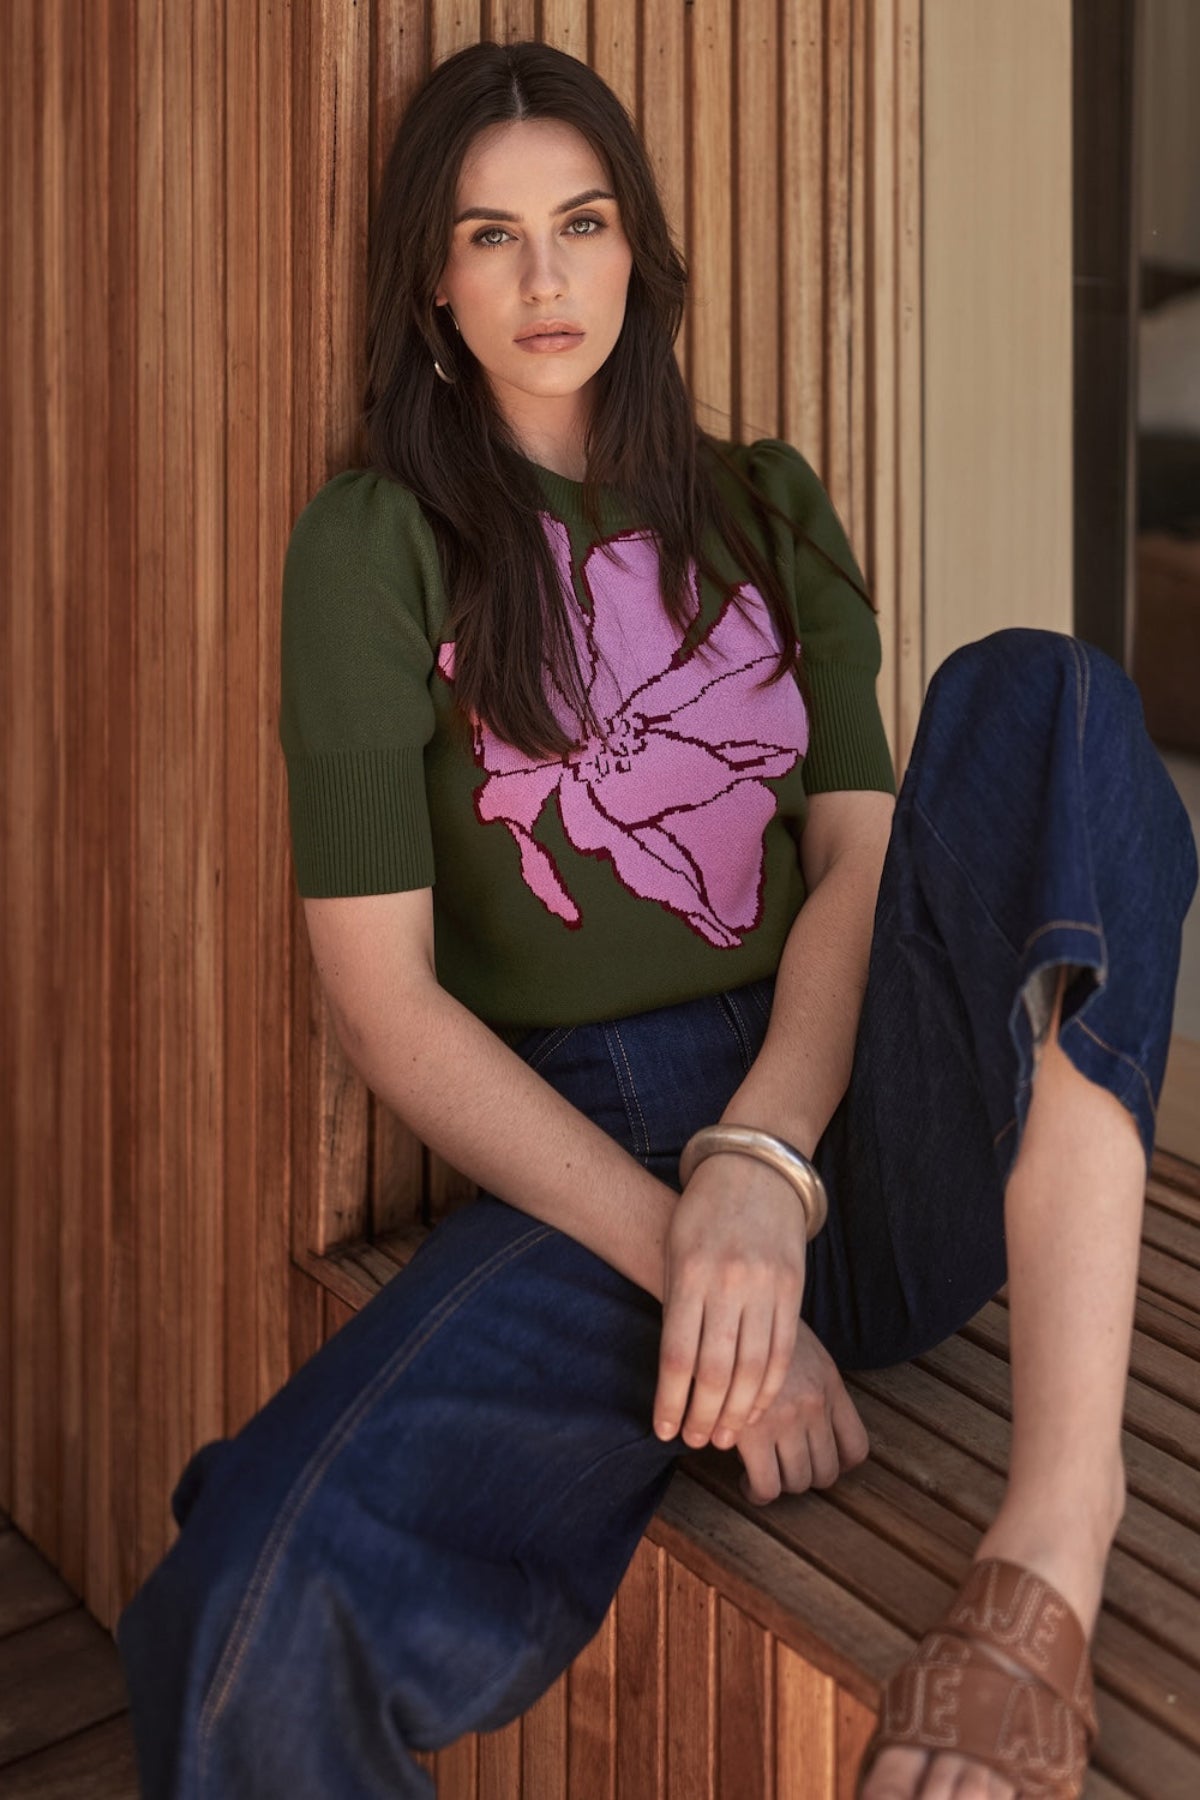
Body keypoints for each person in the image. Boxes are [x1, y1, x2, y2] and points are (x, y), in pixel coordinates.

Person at [115, 37, 1198, 1800]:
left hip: (859, 1107)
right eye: (490, 236)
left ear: (640, 251)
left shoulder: (768, 502)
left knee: (1048, 696)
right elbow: (385, 1007)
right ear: (430, 282)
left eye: (583, 221)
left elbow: (856, 862)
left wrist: (764, 1168)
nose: (546, 278)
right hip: (596, 1166)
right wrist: (691, 1244)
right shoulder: (375, 544)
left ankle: (1048, 1554)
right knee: (247, 1607)